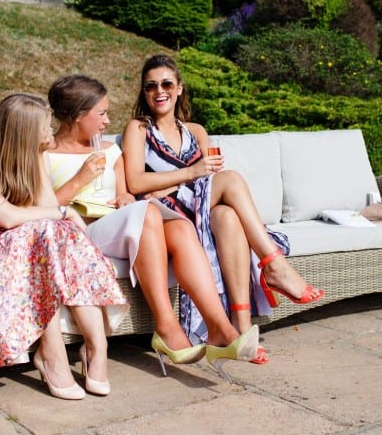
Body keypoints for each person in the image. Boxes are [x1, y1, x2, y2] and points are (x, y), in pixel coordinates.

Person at [46, 75, 260, 378]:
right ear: (79, 115)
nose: (108, 121)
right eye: (102, 114)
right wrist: (81, 178)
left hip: (117, 224)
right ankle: (166, 326)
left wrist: (123, 198)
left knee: (181, 228)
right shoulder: (45, 152)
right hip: (80, 231)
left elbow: (125, 192)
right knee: (147, 213)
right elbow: (42, 207)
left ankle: (220, 329)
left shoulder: (110, 151)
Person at [121, 54, 326, 364]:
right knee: (230, 180)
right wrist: (188, 174)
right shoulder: (138, 129)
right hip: (167, 216)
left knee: (228, 216)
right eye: (150, 86)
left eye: (166, 84)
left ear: (179, 89)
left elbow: (207, 177)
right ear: (144, 92)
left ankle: (241, 330)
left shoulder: (197, 132)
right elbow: (136, 182)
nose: (158, 91)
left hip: (199, 208)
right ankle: (273, 263)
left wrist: (175, 181)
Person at [0, 93, 128, 400]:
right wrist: (52, 214)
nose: (52, 134)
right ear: (23, 132)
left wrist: (28, 205)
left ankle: (97, 345)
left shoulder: (34, 150)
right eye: (46, 128)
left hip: (17, 226)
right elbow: (10, 214)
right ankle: (52, 355)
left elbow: (38, 207)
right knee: (49, 230)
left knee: (56, 232)